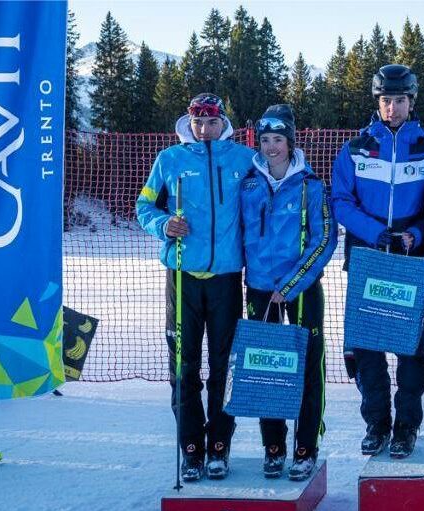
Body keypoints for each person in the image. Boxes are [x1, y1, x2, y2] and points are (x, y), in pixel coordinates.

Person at [136, 93, 252, 482]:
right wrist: (164, 225)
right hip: (183, 277)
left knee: (224, 367)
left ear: (224, 122)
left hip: (226, 280)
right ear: (189, 122)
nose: (205, 129)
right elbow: (144, 206)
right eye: (198, 122)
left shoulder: (241, 158)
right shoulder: (170, 160)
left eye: (212, 122)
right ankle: (191, 450)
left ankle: (218, 447)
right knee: (184, 368)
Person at [331, 64, 424, 459]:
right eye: (386, 101)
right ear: (377, 102)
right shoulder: (356, 148)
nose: (392, 108)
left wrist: (417, 235)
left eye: (400, 100)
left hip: (409, 260)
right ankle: (377, 423)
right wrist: (375, 232)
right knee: (368, 349)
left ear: (411, 102)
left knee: (411, 348)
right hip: (367, 256)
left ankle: (406, 426)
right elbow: (341, 201)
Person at [240, 104, 337, 481]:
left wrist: (293, 283)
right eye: (265, 140)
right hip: (261, 289)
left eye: (278, 139)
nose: (271, 147)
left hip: (299, 289)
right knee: (265, 369)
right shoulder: (248, 183)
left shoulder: (311, 185)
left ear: (290, 141)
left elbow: (325, 237)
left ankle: (305, 447)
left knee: (309, 368)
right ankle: (274, 447)